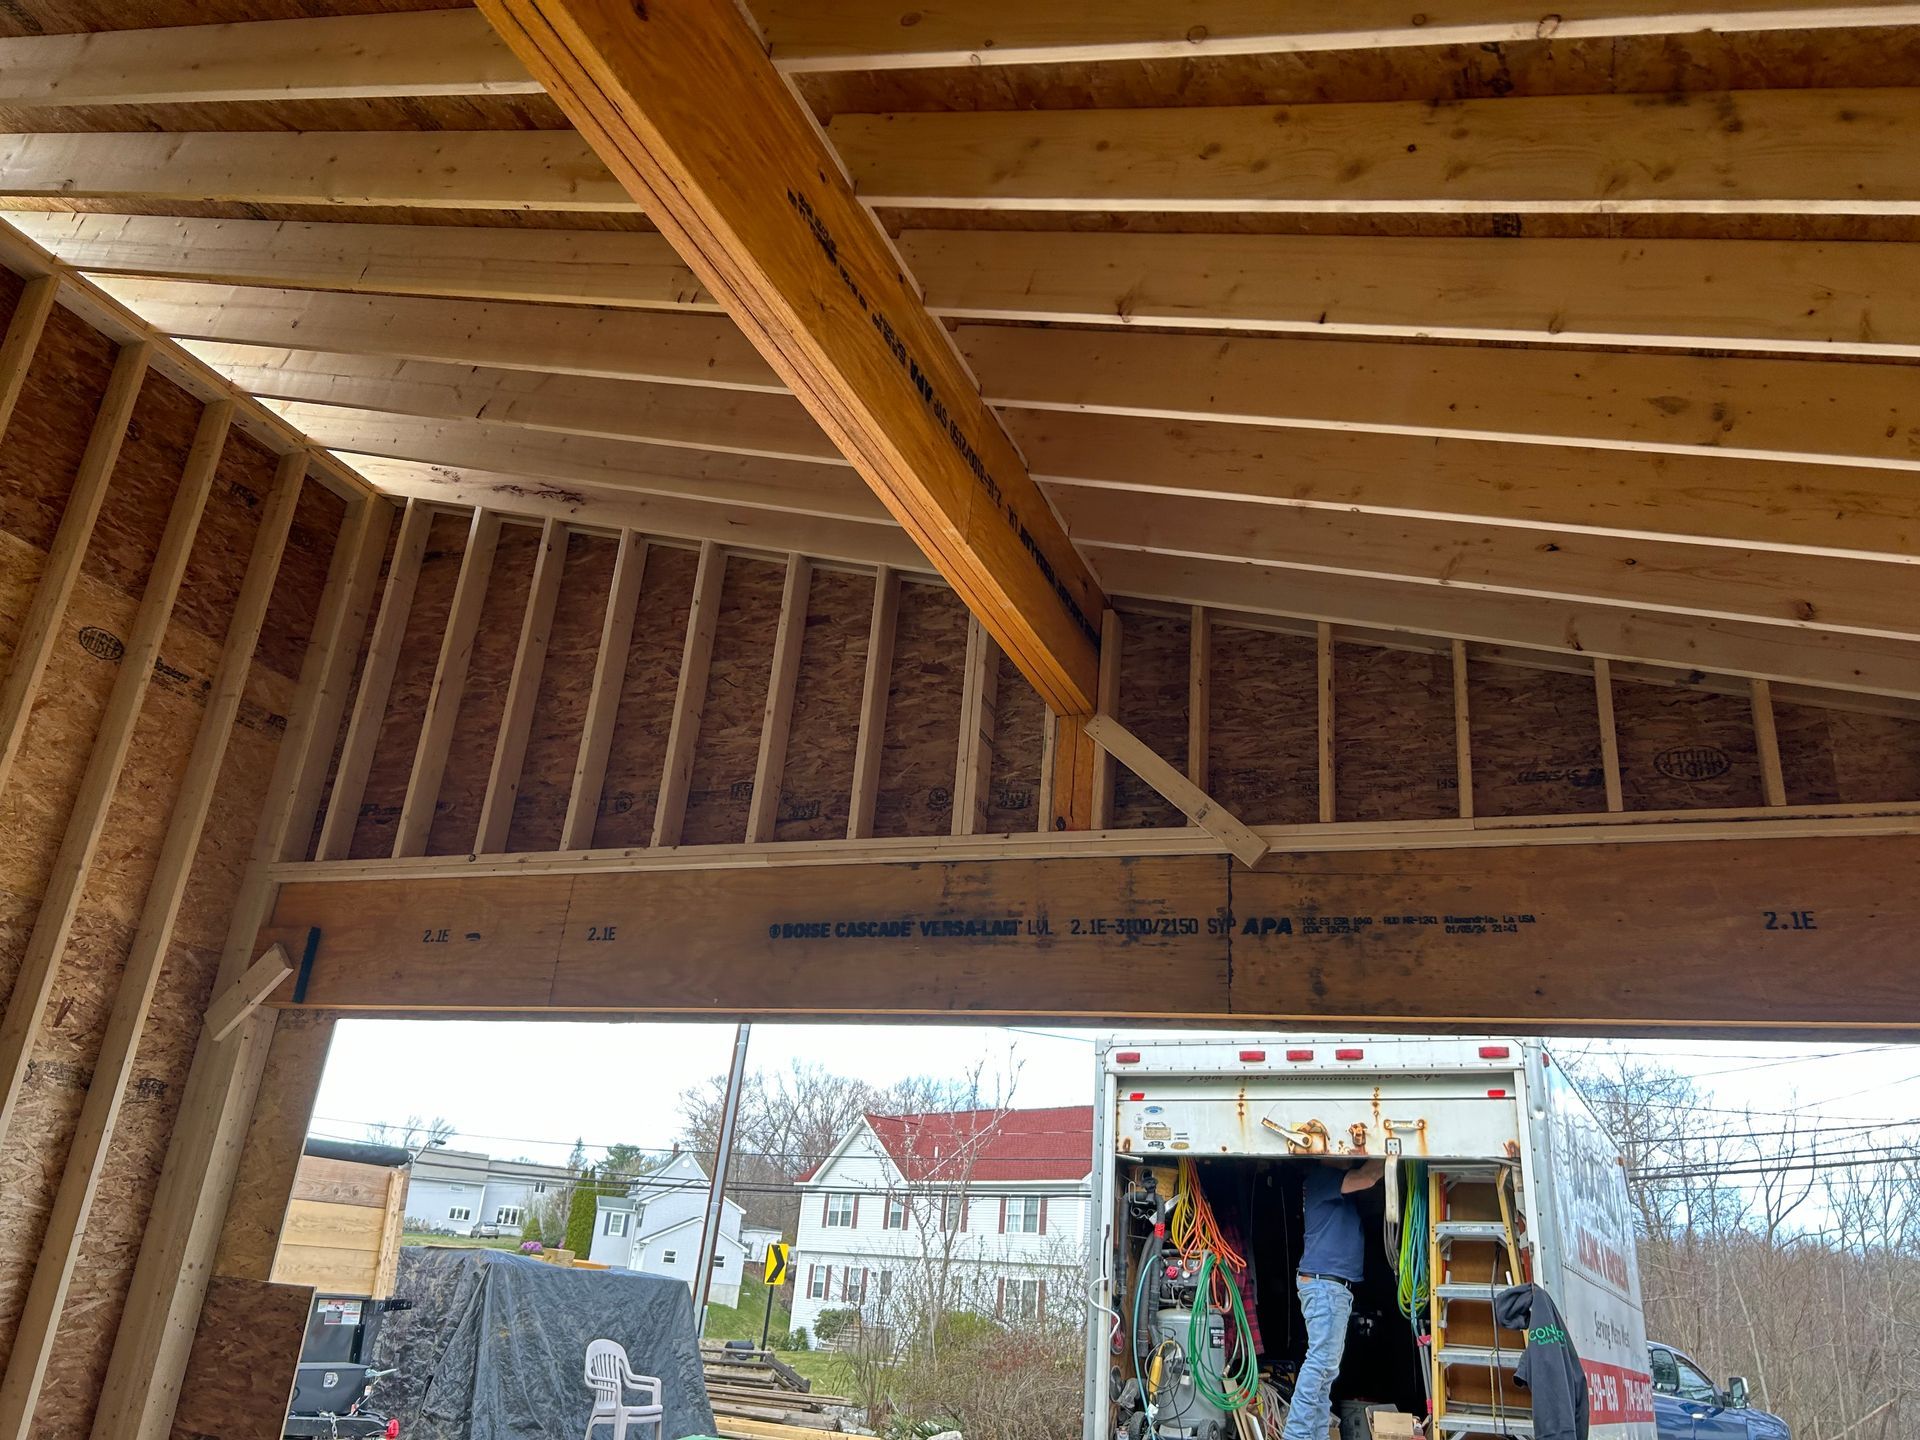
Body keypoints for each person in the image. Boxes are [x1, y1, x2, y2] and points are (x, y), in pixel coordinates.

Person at [1282, 1156, 1385, 1440]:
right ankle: (1297, 1434)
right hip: (1325, 1284)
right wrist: (1390, 1154)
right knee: (1320, 1364)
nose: (1349, 1156)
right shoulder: (1322, 1177)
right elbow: (1366, 1178)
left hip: (1329, 1285)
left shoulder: (1332, 1184)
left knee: (1325, 1369)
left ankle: (1316, 1434)